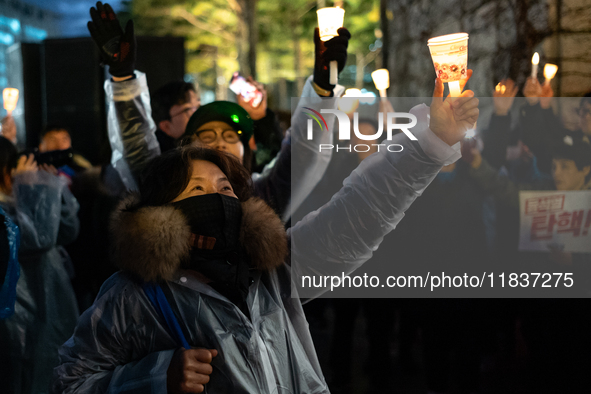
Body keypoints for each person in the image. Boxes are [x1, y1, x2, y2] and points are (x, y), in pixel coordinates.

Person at [52, 68, 479, 392]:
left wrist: (429, 143)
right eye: (198, 189)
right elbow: (69, 381)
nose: (216, 198)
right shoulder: (135, 297)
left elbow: (359, 211)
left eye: (225, 188)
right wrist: (155, 378)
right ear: (164, 209)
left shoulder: (274, 268)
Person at [88, 1, 348, 221]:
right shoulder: (168, 192)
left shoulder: (263, 197)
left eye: (230, 136)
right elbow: (136, 147)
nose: (220, 143)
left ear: (246, 150)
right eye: (208, 137)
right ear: (188, 147)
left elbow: (303, 155)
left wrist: (322, 89)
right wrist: (123, 79)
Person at [0, 136, 80, 394]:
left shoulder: (21, 199)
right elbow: (37, 238)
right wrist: (29, 187)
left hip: (51, 316)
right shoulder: (8, 208)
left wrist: (50, 183)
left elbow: (67, 231)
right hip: (20, 329)